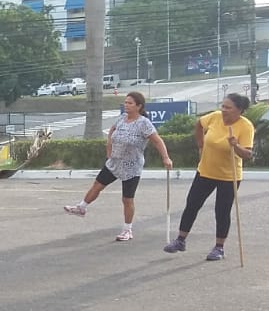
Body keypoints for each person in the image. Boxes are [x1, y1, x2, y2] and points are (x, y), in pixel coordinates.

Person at [63, 92, 173, 241]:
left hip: (131, 167)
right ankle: (81, 207)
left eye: (130, 103)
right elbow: (112, 131)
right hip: (114, 162)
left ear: (139, 106)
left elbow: (157, 141)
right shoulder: (122, 119)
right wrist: (109, 145)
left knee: (127, 199)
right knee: (97, 185)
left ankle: (127, 230)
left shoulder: (144, 123)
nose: (126, 105)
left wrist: (165, 158)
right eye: (125, 102)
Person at [163, 93, 255, 260]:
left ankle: (219, 247)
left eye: (228, 107)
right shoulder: (215, 117)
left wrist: (236, 146)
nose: (223, 109)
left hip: (229, 176)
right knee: (192, 204)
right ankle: (180, 240)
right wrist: (200, 145)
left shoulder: (245, 126)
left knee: (221, 211)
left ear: (239, 110)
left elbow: (247, 154)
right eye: (223, 105)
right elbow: (199, 124)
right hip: (205, 171)